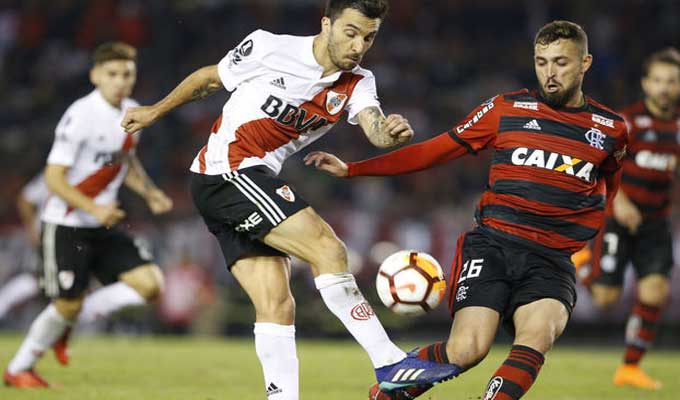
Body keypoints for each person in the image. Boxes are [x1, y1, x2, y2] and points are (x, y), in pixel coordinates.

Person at [121, 1, 461, 398]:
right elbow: (209, 80)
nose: (358, 46)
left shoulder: (357, 82)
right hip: (227, 170)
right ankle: (388, 361)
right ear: (326, 24)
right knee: (327, 249)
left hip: (240, 181)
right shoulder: (268, 47)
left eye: (368, 38)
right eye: (350, 32)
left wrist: (392, 133)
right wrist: (153, 112)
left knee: (277, 304)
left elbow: (375, 128)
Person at [305, 20, 628, 400]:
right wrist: (355, 169)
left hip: (552, 259)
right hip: (493, 246)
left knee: (537, 337)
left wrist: (591, 239)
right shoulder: (506, 109)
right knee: (468, 350)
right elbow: (435, 150)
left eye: (561, 63)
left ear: (585, 62)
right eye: (541, 62)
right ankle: (389, 392)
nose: (550, 74)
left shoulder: (611, 129)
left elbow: (607, 192)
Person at [4, 41, 173, 388]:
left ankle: (72, 322)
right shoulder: (80, 115)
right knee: (66, 304)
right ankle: (19, 368)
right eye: (112, 74)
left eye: (127, 74)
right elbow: (53, 178)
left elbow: (125, 160)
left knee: (151, 283)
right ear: (95, 75)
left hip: (102, 222)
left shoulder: (133, 110)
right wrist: (94, 206)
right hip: (66, 224)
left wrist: (150, 191)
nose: (121, 81)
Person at [577, 47, 680, 390]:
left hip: (657, 223)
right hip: (618, 217)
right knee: (605, 298)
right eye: (659, 81)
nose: (665, 87)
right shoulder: (627, 122)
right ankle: (582, 260)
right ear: (646, 84)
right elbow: (596, 165)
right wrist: (618, 200)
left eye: (672, 81)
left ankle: (630, 368)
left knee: (655, 291)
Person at [0, 173, 48, 320]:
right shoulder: (55, 172)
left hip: (73, 238)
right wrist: (32, 229)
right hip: (47, 238)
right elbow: (25, 199)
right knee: (34, 279)